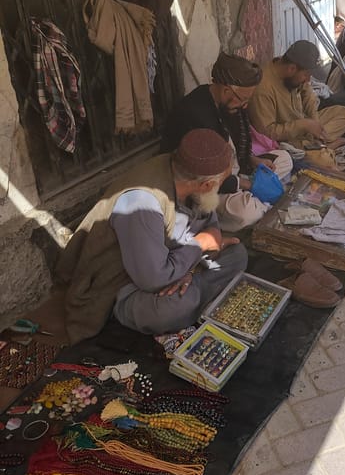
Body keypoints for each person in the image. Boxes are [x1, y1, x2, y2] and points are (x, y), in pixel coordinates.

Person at [55, 129, 248, 342]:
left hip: (175, 262)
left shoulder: (187, 176)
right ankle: (199, 296)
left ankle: (195, 291)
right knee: (170, 310)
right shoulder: (142, 204)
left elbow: (210, 225)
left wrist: (189, 270)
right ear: (207, 185)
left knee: (238, 252)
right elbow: (153, 280)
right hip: (122, 284)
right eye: (221, 183)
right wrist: (198, 246)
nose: (222, 188)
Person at [160, 51, 292, 232]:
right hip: (205, 186)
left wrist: (255, 160)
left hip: (236, 171)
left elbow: (238, 147)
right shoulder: (194, 115)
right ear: (227, 90)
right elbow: (203, 177)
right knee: (246, 213)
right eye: (243, 99)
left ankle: (256, 198)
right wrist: (249, 185)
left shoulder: (228, 104)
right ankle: (260, 204)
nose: (245, 106)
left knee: (285, 158)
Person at [248, 40, 345, 159]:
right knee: (290, 151)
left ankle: (319, 144)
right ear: (292, 69)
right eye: (306, 75)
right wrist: (303, 125)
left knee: (344, 113)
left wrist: (315, 122)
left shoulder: (292, 73)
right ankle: (321, 147)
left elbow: (308, 95)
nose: (308, 80)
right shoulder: (263, 88)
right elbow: (267, 132)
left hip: (304, 128)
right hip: (287, 139)